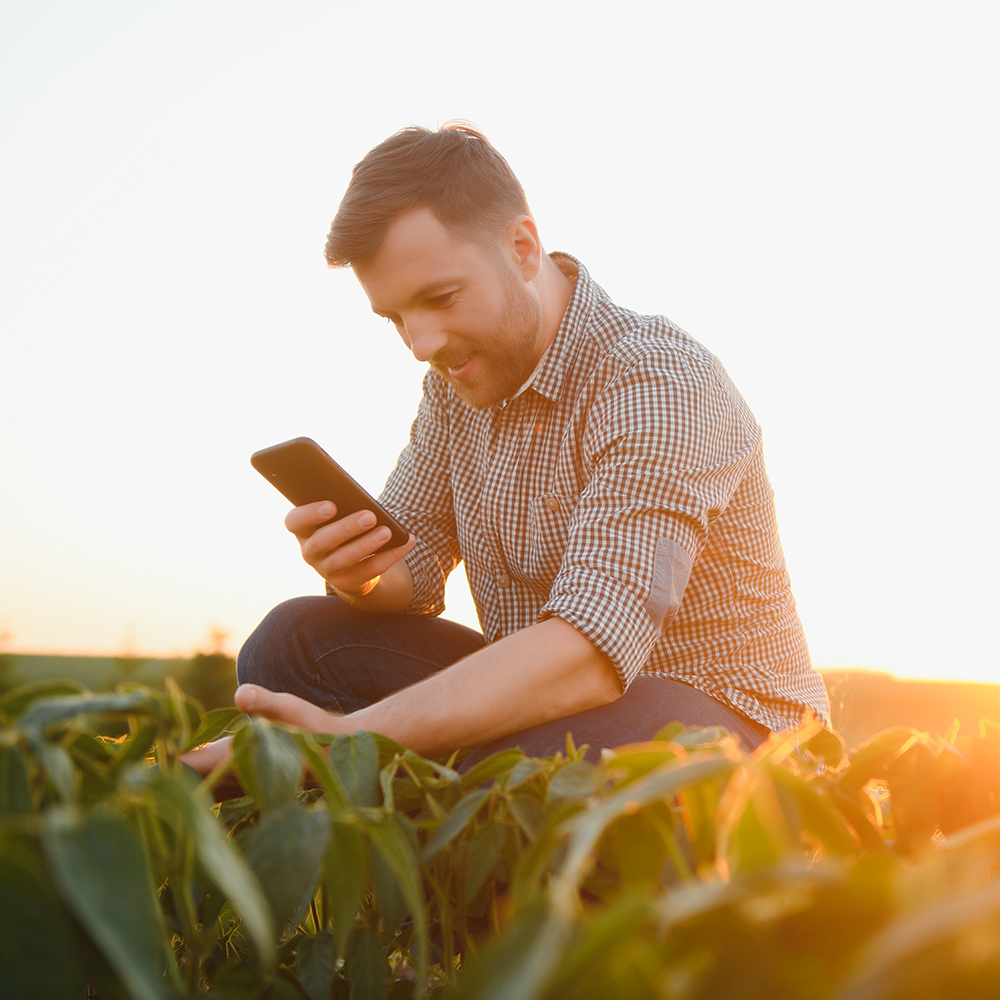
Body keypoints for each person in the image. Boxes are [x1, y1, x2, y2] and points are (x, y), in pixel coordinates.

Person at [188, 123, 829, 775]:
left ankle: (416, 783)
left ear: (522, 249)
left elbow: (592, 652)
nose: (420, 342)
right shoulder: (455, 386)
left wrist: (350, 739)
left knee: (536, 758)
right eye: (395, 318)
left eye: (439, 298)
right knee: (291, 643)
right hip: (559, 709)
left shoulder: (656, 380)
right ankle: (422, 790)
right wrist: (362, 572)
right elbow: (415, 566)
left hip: (733, 724)